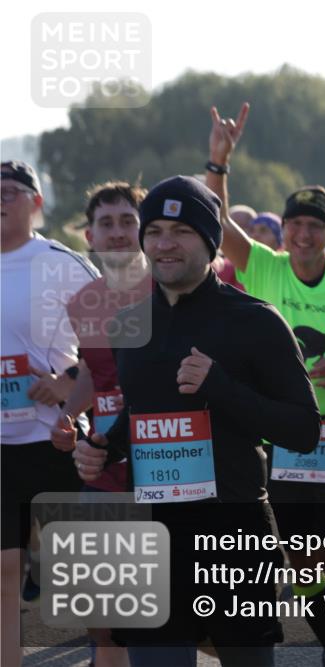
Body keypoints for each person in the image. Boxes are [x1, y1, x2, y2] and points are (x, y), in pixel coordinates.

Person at [71, 173, 320, 667]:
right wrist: (104, 447)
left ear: (210, 241)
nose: (165, 244)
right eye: (155, 231)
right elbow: (142, 415)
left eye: (181, 232)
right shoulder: (125, 325)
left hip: (233, 531)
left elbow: (303, 429)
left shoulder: (255, 320)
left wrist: (222, 388)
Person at [204, 104, 325, 666]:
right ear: (283, 229)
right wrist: (218, 161)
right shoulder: (266, 267)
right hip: (284, 434)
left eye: (315, 225)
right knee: (301, 555)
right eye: (296, 224)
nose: (304, 234)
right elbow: (215, 220)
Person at [1, 160, 99, 667]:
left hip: (56, 435)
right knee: (5, 567)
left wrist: (67, 383)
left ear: (37, 203)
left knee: (86, 568)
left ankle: (107, 653)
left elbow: (115, 339)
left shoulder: (61, 262)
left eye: (11, 191)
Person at [51, 180, 151, 667]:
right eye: (105, 224)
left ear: (144, 229)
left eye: (127, 221)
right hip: (102, 457)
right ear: (88, 235)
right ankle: (105, 655)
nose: (116, 233)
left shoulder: (171, 288)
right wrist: (68, 414)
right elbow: (92, 368)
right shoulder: (83, 302)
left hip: (166, 456)